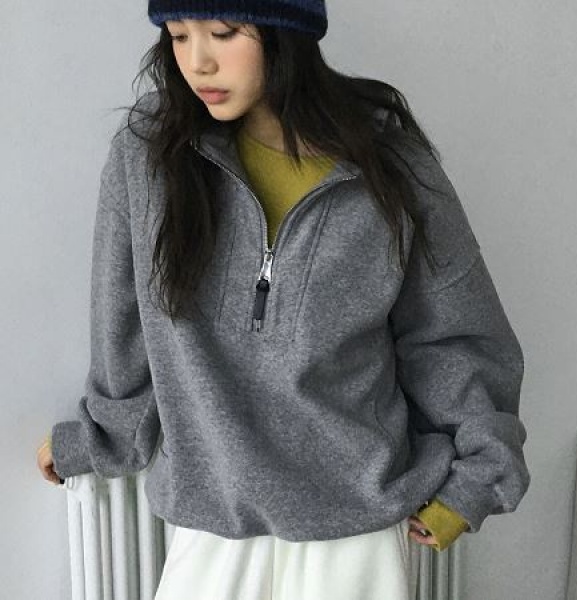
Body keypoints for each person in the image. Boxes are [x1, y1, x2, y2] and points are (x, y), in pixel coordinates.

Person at [36, 1, 531, 598]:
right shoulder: (150, 156)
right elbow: (124, 322)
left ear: (287, 31)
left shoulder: (389, 165)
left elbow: (453, 332)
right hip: (212, 516)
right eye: (178, 35)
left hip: (355, 526)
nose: (198, 62)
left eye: (223, 32)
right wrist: (98, 438)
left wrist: (478, 479)